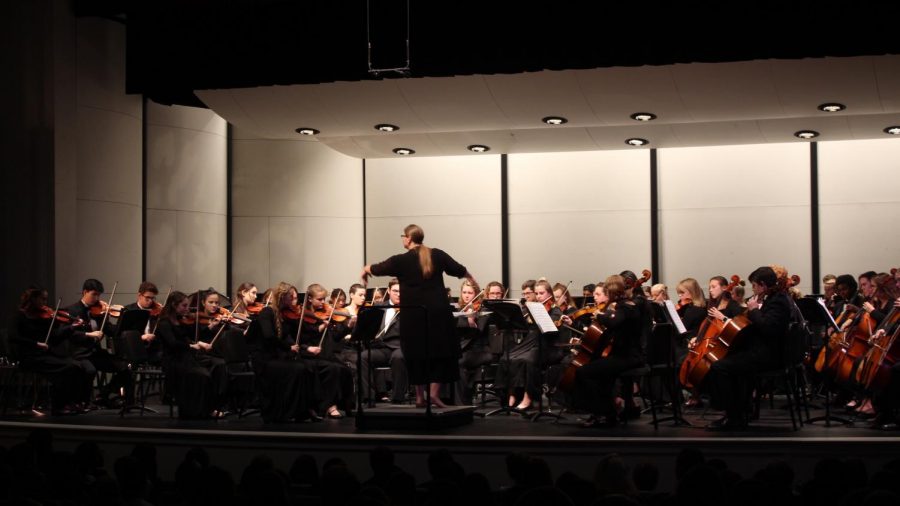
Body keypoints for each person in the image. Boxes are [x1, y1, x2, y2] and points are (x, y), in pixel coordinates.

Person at [361, 224, 476, 408]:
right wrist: (472, 278)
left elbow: (377, 268)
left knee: (416, 354)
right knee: (442, 353)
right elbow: (459, 269)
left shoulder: (401, 260)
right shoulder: (437, 254)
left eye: (402, 236)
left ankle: (421, 397)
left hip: (414, 315)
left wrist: (365, 270)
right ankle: (433, 395)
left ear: (408, 238)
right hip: (438, 314)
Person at [705, 266, 792, 430]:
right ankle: (740, 411)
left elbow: (768, 329)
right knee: (731, 361)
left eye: (754, 286)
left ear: (763, 285)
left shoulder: (778, 301)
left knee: (719, 367)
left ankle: (733, 415)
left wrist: (753, 311)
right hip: (762, 351)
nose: (752, 289)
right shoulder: (771, 299)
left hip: (770, 356)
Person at [574, 275, 643, 427]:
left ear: (611, 292)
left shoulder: (625, 307)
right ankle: (607, 413)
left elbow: (614, 322)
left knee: (584, 372)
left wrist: (600, 316)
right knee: (599, 371)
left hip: (628, 357)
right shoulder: (624, 305)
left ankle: (603, 413)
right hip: (624, 355)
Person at [10, 286, 88, 414]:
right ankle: (58, 406)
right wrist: (36, 344)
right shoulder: (20, 316)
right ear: (33, 299)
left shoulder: (43, 318)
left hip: (43, 354)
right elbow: (13, 337)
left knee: (77, 365)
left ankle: (71, 402)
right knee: (67, 367)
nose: (45, 304)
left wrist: (71, 327)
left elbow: (54, 337)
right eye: (43, 299)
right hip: (28, 356)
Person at [245, 282, 316, 422]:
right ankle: (286, 411)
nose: (294, 301)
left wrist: (296, 347)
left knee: (305, 366)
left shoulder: (283, 316)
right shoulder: (267, 312)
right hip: (263, 360)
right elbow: (269, 336)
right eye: (291, 297)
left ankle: (301, 410)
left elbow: (286, 336)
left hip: (275, 358)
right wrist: (287, 348)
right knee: (298, 368)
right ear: (283, 297)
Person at [155, 291, 227, 419]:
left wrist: (205, 335)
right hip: (173, 360)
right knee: (202, 375)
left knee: (215, 368)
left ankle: (210, 407)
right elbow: (173, 344)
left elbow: (190, 336)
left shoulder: (179, 320)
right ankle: (198, 411)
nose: (187, 309)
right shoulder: (164, 323)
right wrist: (191, 346)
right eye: (184, 306)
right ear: (173, 305)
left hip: (186, 358)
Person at [64, 279, 132, 407]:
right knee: (90, 370)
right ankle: (83, 401)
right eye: (94, 294)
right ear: (85, 292)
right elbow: (70, 334)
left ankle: (103, 395)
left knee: (124, 367)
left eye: (98, 295)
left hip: (95, 353)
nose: (97, 298)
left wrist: (121, 319)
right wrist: (88, 335)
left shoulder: (99, 312)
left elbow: (111, 331)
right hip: (80, 354)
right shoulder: (72, 310)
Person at [298, 284, 354, 418]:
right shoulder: (302, 317)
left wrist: (348, 326)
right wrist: (320, 326)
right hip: (310, 354)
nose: (323, 302)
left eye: (324, 299)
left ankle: (347, 406)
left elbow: (335, 336)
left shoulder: (325, 314)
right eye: (320, 299)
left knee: (345, 370)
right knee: (333, 369)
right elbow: (303, 338)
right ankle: (329, 406)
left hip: (326, 354)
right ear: (310, 299)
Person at [455, 279, 495, 405]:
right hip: (464, 349)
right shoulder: (460, 310)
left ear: (476, 293)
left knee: (458, 362)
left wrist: (471, 321)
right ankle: (452, 399)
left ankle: (461, 402)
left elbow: (480, 330)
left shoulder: (483, 311)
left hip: (481, 350)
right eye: (464, 292)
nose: (466, 295)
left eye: (470, 293)